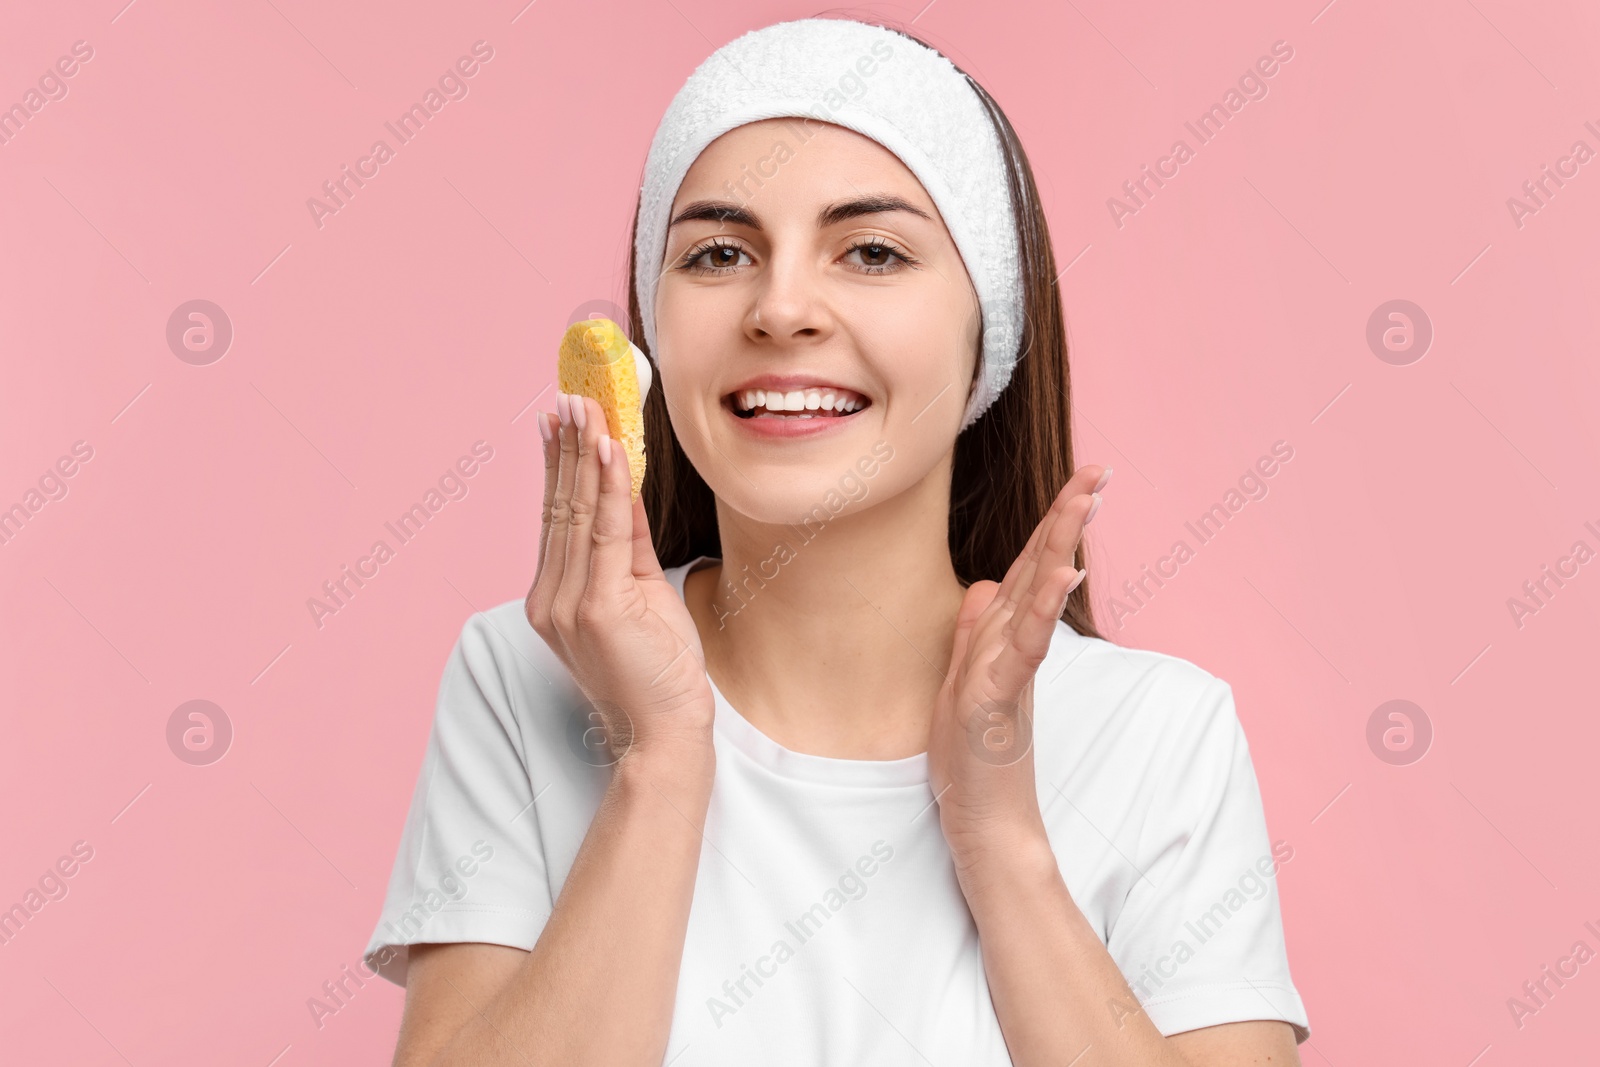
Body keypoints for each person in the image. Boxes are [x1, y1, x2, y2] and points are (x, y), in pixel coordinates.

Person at [363, 17, 1310, 1066]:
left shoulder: (1158, 734)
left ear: (985, 327)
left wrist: (997, 835)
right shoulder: (523, 676)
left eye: (871, 250)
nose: (779, 308)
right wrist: (661, 760)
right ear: (654, 331)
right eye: (719, 253)